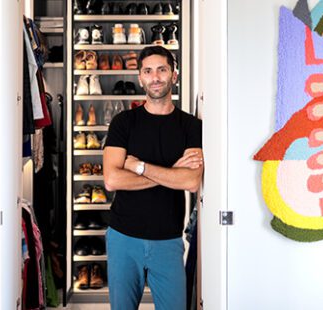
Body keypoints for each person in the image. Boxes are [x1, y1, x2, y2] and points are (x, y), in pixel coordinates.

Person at [103, 45, 203, 310]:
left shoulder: (191, 126)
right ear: (140, 77)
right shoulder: (123, 122)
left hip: (168, 240)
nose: (155, 77)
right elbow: (112, 179)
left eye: (162, 69)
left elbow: (191, 182)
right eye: (148, 71)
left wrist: (139, 167)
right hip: (123, 237)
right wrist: (173, 172)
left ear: (174, 75)